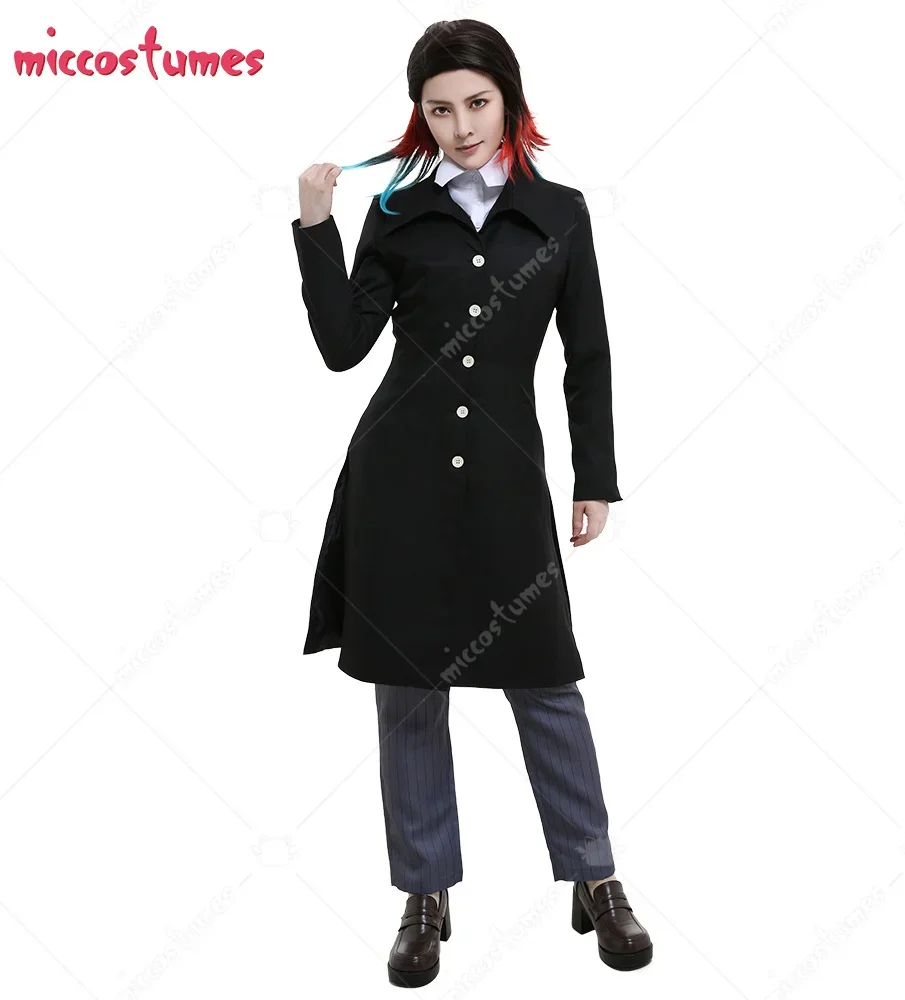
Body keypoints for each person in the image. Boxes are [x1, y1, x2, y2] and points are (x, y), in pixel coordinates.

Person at [292, 18, 652, 988]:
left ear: (510, 101)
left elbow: (587, 353)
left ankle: (595, 875)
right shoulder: (399, 213)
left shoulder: (560, 213)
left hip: (504, 479)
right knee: (409, 689)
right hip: (398, 479)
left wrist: (595, 476)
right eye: (440, 108)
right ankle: (425, 893)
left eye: (477, 103)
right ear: (420, 113)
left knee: (545, 679)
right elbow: (342, 347)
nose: (460, 126)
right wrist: (316, 229)